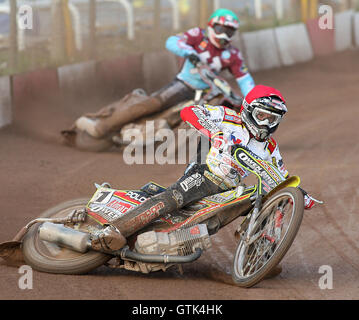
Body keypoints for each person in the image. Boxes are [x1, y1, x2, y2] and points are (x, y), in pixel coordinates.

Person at [94, 85, 319, 252]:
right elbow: (190, 112)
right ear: (248, 110)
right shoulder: (228, 117)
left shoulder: (270, 147)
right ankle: (115, 230)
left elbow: (279, 176)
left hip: (230, 190)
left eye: (272, 119)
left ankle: (262, 251)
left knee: (254, 202)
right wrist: (213, 131)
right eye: (261, 116)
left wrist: (301, 194)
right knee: (173, 198)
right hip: (206, 173)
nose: (265, 124)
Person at [76, 8, 255, 139]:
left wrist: (252, 101)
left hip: (209, 93)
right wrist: (189, 52)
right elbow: (172, 41)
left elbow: (245, 79)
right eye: (221, 30)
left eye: (229, 32)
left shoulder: (232, 54)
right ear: (211, 26)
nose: (224, 36)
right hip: (184, 85)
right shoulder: (198, 35)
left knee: (231, 109)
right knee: (152, 105)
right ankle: (101, 127)